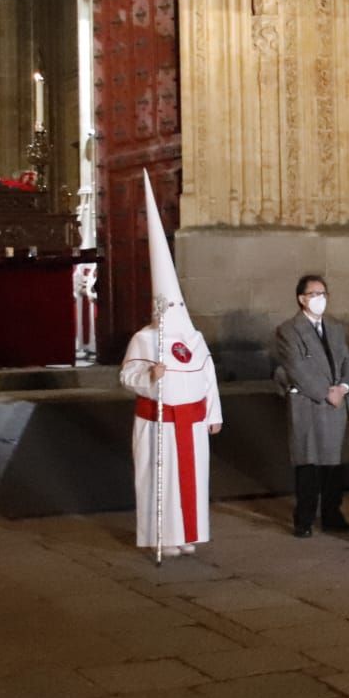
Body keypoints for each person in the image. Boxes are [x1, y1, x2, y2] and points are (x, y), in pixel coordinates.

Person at [119, 171, 222, 557]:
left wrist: (214, 414)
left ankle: (189, 533)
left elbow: (208, 377)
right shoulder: (146, 339)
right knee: (160, 481)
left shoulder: (193, 339)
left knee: (192, 481)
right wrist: (150, 375)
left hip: (192, 423)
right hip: (157, 423)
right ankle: (162, 537)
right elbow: (127, 375)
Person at [274, 275, 349, 538]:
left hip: (336, 402)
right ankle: (305, 519)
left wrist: (344, 387)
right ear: (302, 299)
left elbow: (348, 359)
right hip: (310, 404)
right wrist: (324, 392)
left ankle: (333, 514)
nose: (320, 298)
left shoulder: (334, 327)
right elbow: (297, 368)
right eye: (314, 294)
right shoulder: (289, 330)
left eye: (323, 293)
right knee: (309, 465)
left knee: (335, 466)